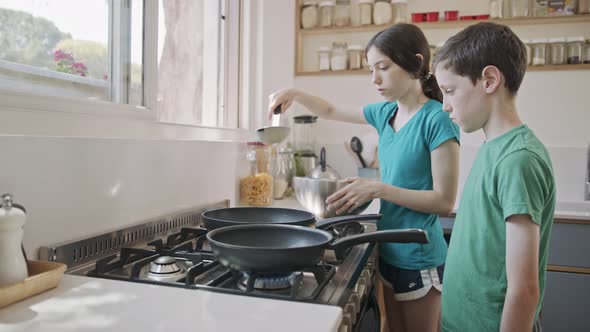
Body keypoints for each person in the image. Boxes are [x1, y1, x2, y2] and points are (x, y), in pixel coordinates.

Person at [269, 24, 460, 332]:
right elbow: (330, 109)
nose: (375, 79)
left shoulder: (437, 119)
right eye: (372, 69)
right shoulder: (386, 113)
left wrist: (377, 188)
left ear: (415, 62)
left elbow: (444, 202)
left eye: (383, 67)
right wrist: (295, 93)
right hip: (388, 248)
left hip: (419, 256)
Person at [432, 22, 555, 332]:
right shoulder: (494, 148)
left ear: (489, 80)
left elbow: (524, 290)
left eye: (449, 91)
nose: (445, 105)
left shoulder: (518, 160)